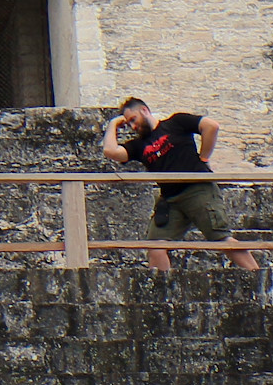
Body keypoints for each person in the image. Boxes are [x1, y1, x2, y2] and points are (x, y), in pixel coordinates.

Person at [101, 97, 260, 271]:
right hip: (170, 200)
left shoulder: (176, 122)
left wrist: (204, 157)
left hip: (198, 191)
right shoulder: (139, 145)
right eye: (129, 123)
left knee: (221, 238)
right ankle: (162, 288)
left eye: (133, 119)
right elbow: (110, 151)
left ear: (144, 110)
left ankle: (257, 275)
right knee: (155, 246)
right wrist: (113, 123)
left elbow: (211, 126)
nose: (133, 126)